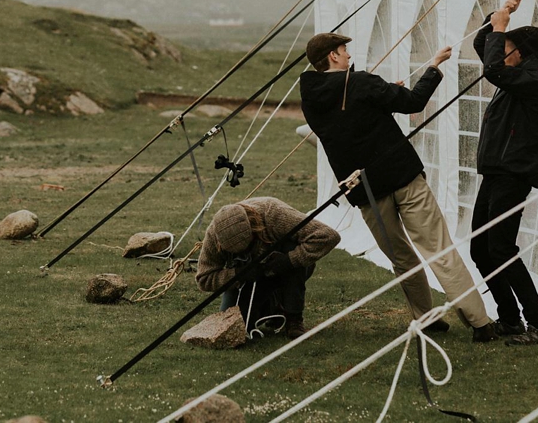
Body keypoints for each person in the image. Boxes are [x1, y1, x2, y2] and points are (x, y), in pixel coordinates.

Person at [300, 32, 498, 341]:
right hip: (402, 176)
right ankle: (481, 323)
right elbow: (415, 102)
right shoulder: (363, 83)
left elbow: (350, 123)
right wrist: (433, 66)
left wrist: (383, 97)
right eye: (343, 50)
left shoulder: (311, 99)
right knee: (438, 249)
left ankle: (426, 318)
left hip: (365, 191)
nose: (349, 55)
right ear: (333, 57)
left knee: (401, 258)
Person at [470, 0, 538, 346]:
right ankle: (510, 320)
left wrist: (501, 28)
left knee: (501, 248)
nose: (501, 53)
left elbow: (493, 67)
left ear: (523, 54)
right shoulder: (516, 74)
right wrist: (501, 16)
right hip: (496, 171)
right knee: (481, 248)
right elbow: (486, 47)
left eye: (508, 47)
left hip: (514, 173)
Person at [196, 197, 340, 338]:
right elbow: (204, 279)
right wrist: (238, 274)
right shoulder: (214, 235)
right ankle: (273, 307)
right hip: (245, 280)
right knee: (234, 326)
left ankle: (293, 318)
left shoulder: (273, 213)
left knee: (292, 248)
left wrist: (288, 260)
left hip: (284, 267)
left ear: (254, 228)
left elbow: (327, 236)